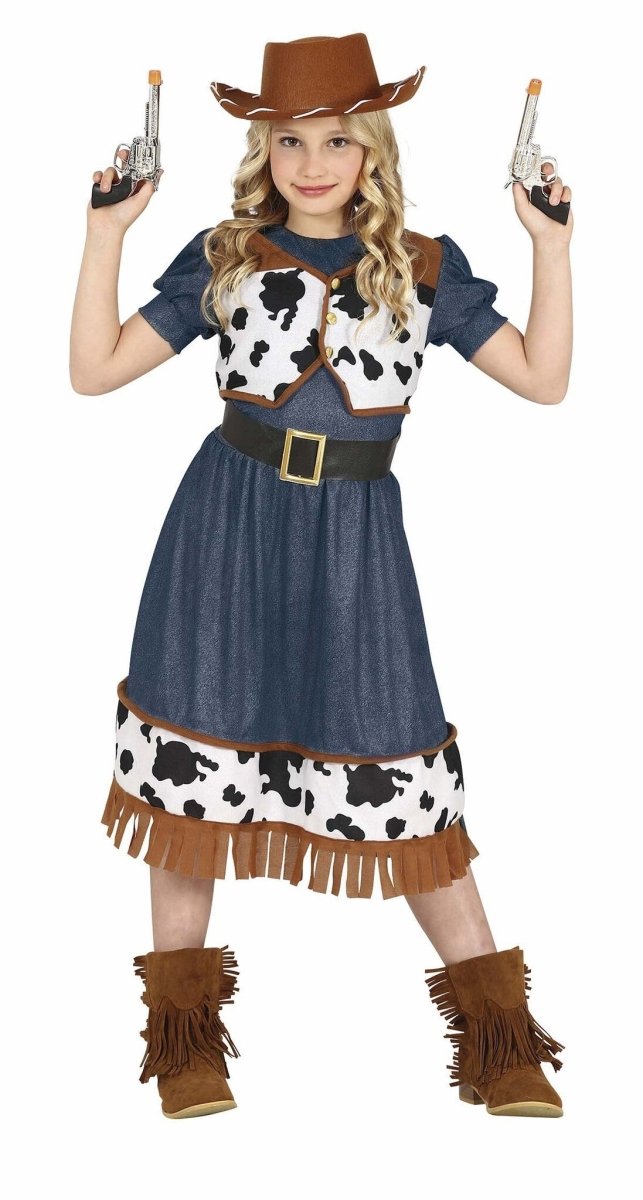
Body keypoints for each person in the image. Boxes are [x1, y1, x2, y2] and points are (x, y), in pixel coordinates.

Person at [70, 33, 572, 1121]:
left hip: (356, 542)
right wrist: (106, 232)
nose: (311, 163)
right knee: (194, 769)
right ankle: (185, 1046)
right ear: (264, 149)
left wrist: (549, 245)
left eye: (336, 140)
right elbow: (94, 371)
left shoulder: (423, 267)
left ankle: (500, 1045)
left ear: (371, 150)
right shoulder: (226, 255)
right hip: (223, 529)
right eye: (289, 140)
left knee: (403, 764)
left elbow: (543, 380)